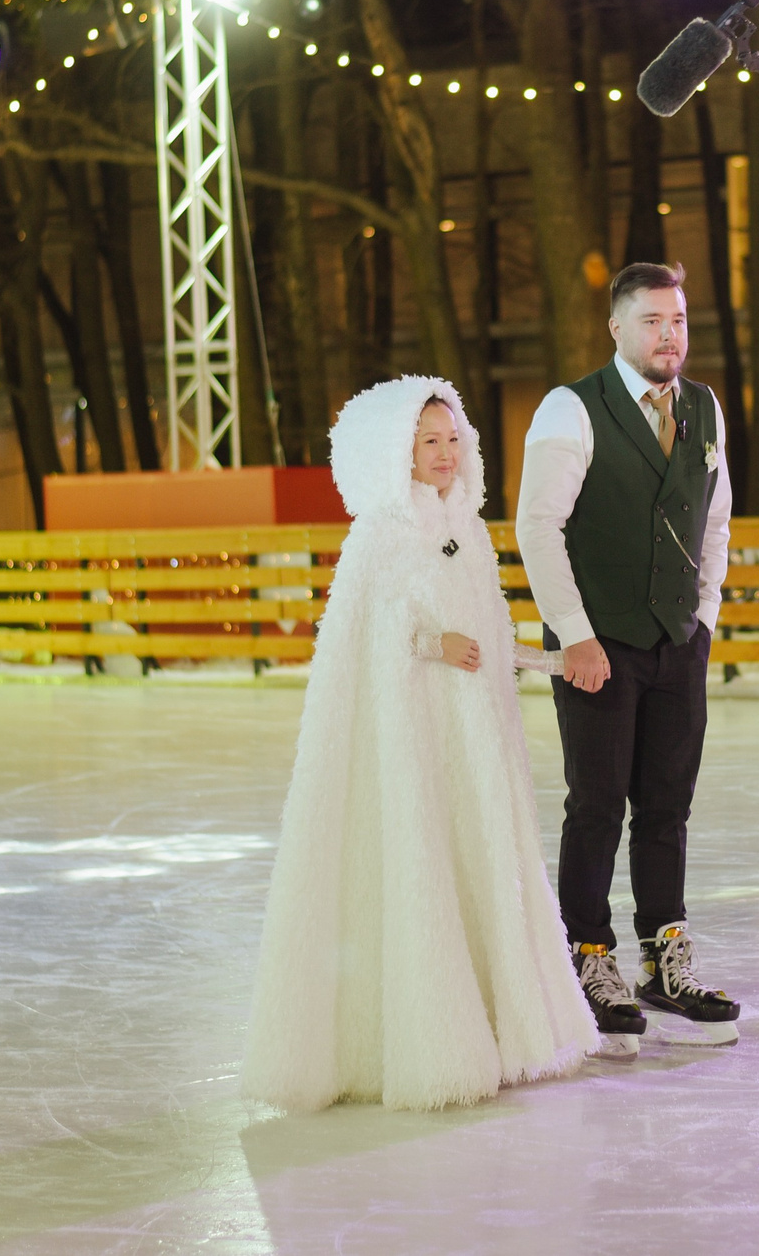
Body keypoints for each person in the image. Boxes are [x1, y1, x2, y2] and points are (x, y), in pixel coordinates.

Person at [242, 377, 596, 1112]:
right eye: (428, 441)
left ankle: (504, 1029)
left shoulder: (466, 525)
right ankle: (429, 1039)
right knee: (423, 858)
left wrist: (543, 658)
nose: (444, 452)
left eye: (452, 438)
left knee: (479, 858)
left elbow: (488, 629)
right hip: (415, 736)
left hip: (471, 740)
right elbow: (369, 635)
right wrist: (437, 641)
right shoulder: (379, 531)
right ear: (399, 453)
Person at [516, 261, 742, 1054]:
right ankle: (589, 954)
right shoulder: (570, 408)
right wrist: (573, 631)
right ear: (617, 327)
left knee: (667, 805)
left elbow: (715, 523)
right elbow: (537, 525)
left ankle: (665, 957)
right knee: (599, 803)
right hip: (597, 642)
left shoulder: (705, 407)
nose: (668, 334)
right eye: (651, 319)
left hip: (677, 640)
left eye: (677, 318)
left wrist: (704, 615)